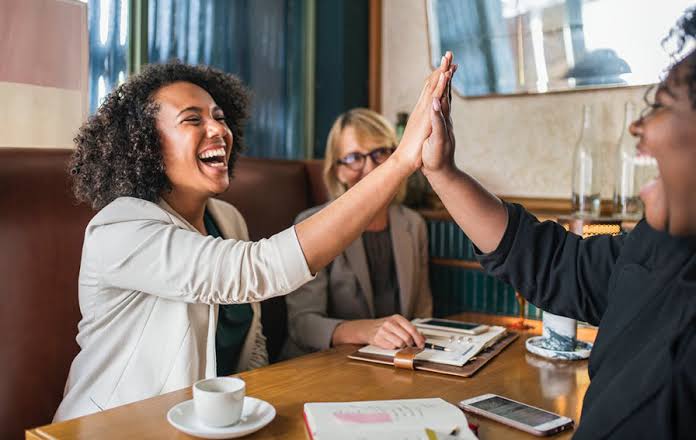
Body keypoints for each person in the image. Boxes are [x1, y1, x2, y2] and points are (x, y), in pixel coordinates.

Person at [54, 55, 455, 421]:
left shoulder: (227, 219)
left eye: (220, 117)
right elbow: (256, 270)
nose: (218, 130)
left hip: (209, 426)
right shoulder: (120, 228)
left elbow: (252, 343)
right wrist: (401, 161)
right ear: (144, 145)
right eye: (192, 120)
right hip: (111, 427)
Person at [423, 11, 695, 439]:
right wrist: (442, 172)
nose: (637, 127)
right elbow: (560, 265)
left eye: (660, 106)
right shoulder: (659, 244)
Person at [282, 109, 432, 359]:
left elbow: (423, 312)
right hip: (323, 364)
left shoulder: (413, 224)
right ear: (337, 170)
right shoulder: (311, 224)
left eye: (379, 153)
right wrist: (366, 331)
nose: (371, 167)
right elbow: (302, 325)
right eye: (354, 157)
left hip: (394, 362)